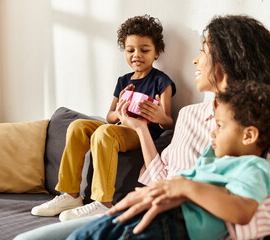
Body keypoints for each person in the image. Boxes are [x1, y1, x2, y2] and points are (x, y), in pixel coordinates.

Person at [14, 14, 270, 240]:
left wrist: (187, 193)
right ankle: (73, 198)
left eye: (204, 51)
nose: (195, 60)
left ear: (228, 61)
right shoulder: (190, 115)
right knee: (30, 237)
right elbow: (162, 178)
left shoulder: (257, 129)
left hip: (180, 228)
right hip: (146, 214)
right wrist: (141, 129)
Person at [67, 80, 270, 240]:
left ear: (248, 135)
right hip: (149, 209)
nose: (213, 133)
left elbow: (242, 212)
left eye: (220, 126)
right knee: (82, 236)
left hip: (175, 225)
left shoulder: (256, 167)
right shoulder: (210, 154)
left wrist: (186, 188)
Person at [30, 15, 176, 222]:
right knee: (78, 126)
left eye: (144, 50)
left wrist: (160, 116)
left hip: (141, 134)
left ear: (156, 53)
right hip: (119, 128)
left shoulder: (162, 81)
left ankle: (103, 203)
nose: (137, 55)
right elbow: (110, 117)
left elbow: (169, 122)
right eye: (130, 50)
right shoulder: (123, 81)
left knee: (104, 133)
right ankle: (71, 195)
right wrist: (120, 112)